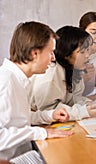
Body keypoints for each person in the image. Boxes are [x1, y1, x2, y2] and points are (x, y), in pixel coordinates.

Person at [0, 21, 73, 161]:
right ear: (34, 53)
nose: (53, 58)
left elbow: (16, 120)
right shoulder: (5, 81)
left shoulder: (18, 79)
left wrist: (50, 115)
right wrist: (41, 133)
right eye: (50, 52)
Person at [30, 26, 96, 121]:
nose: (87, 55)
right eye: (82, 52)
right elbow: (49, 110)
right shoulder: (50, 73)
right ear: (67, 54)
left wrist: (90, 104)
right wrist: (84, 112)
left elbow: (75, 99)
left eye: (88, 50)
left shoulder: (74, 69)